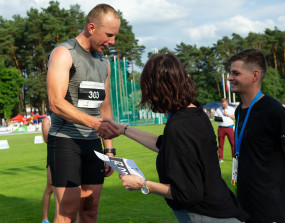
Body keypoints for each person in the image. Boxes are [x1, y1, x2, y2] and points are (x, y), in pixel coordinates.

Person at [103, 53, 248, 222]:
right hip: (218, 208)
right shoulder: (194, 114)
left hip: (206, 215)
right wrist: (123, 129)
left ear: (156, 88)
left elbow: (188, 193)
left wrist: (143, 184)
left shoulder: (180, 126)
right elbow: (165, 144)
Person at [46, 4, 120, 223]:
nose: (112, 42)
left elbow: (105, 108)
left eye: (115, 36)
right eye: (109, 35)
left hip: (93, 144)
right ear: (91, 27)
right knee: (67, 211)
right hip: (65, 141)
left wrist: (109, 150)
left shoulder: (104, 62)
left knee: (90, 209)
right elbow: (55, 102)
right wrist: (94, 124)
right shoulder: (63, 53)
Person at [228, 49, 285, 223]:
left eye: (235, 73)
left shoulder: (273, 110)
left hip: (272, 209)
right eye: (230, 73)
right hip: (247, 206)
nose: (230, 78)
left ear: (254, 75)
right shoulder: (239, 111)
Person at [214, 98, 235, 162]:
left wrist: (227, 115)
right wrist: (219, 119)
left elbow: (235, 118)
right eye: (222, 105)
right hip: (221, 128)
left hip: (230, 128)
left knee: (233, 143)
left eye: (224, 104)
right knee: (220, 144)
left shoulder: (232, 109)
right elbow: (215, 118)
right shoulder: (218, 109)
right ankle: (220, 158)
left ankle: (234, 158)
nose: (223, 106)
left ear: (227, 103)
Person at [41, 115, 53, 223]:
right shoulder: (48, 120)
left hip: (71, 154)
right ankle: (45, 219)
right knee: (50, 188)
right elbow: (47, 138)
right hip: (54, 155)